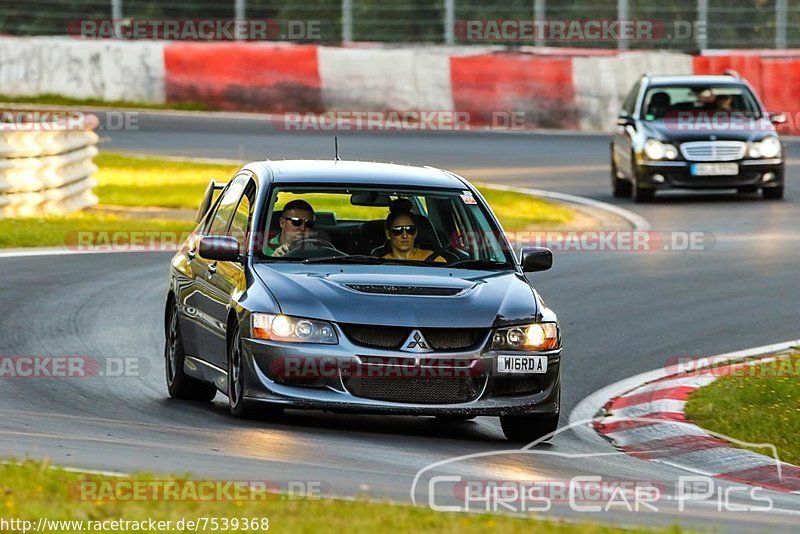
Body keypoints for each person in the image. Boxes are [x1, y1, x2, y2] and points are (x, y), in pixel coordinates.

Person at [382, 198, 446, 262]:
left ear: (416, 233)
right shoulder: (380, 265)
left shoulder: (435, 260)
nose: (404, 236)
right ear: (388, 234)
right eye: (398, 230)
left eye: (410, 229)